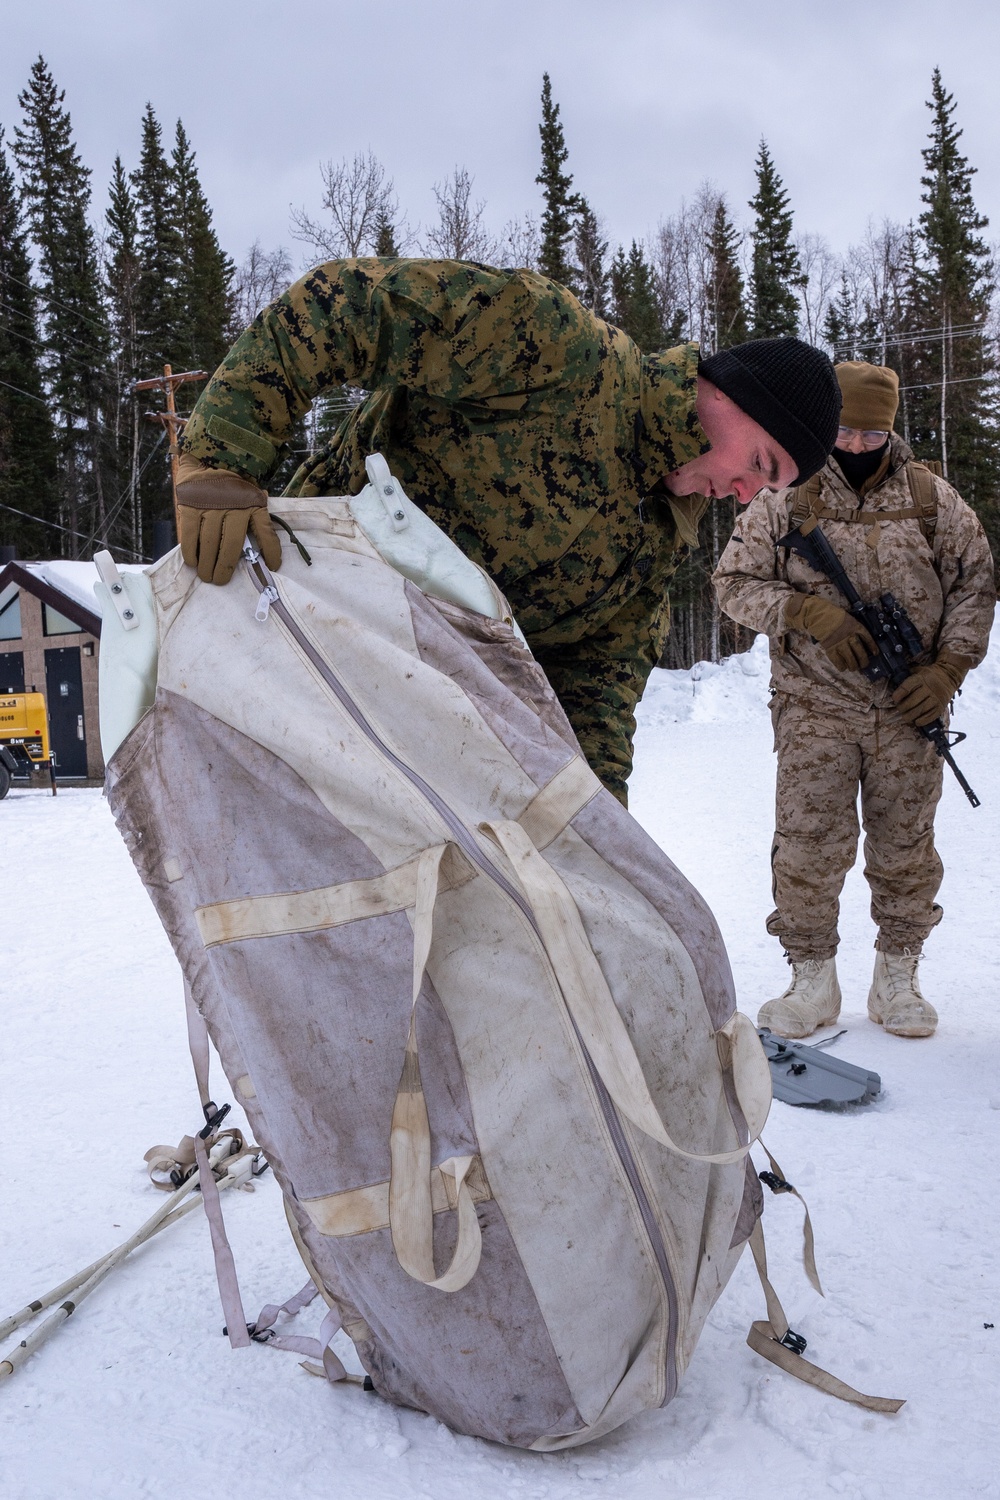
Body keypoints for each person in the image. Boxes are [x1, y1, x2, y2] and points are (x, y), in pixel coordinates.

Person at [175, 257, 840, 804]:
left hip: (396, 747)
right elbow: (347, 306)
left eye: (766, 488)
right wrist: (221, 457)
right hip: (289, 630)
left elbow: (593, 712)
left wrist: (598, 847)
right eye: (759, 464)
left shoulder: (649, 554)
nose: (745, 494)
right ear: (724, 393)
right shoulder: (559, 351)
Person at [714, 361, 994, 1039]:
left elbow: (976, 586)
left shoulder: (931, 497)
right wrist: (809, 614)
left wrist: (948, 671)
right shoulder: (786, 495)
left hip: (910, 709)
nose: (857, 445)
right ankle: (811, 978)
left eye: (871, 434)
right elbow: (732, 584)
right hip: (816, 710)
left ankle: (898, 976)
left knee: (906, 846)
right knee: (808, 846)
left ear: (889, 428)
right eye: (845, 430)